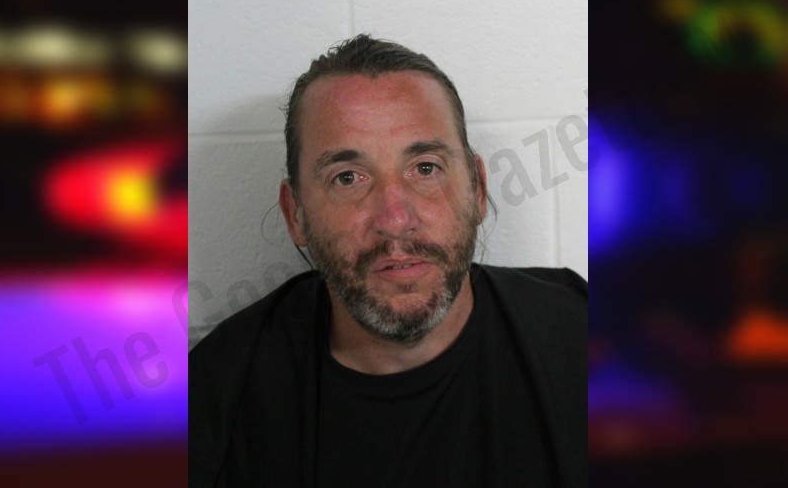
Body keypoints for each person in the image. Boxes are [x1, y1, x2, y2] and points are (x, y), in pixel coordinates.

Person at [189, 34, 587, 487]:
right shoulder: (212, 398)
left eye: (425, 168)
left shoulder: (585, 339)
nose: (396, 220)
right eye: (348, 178)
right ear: (295, 213)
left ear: (477, 189)